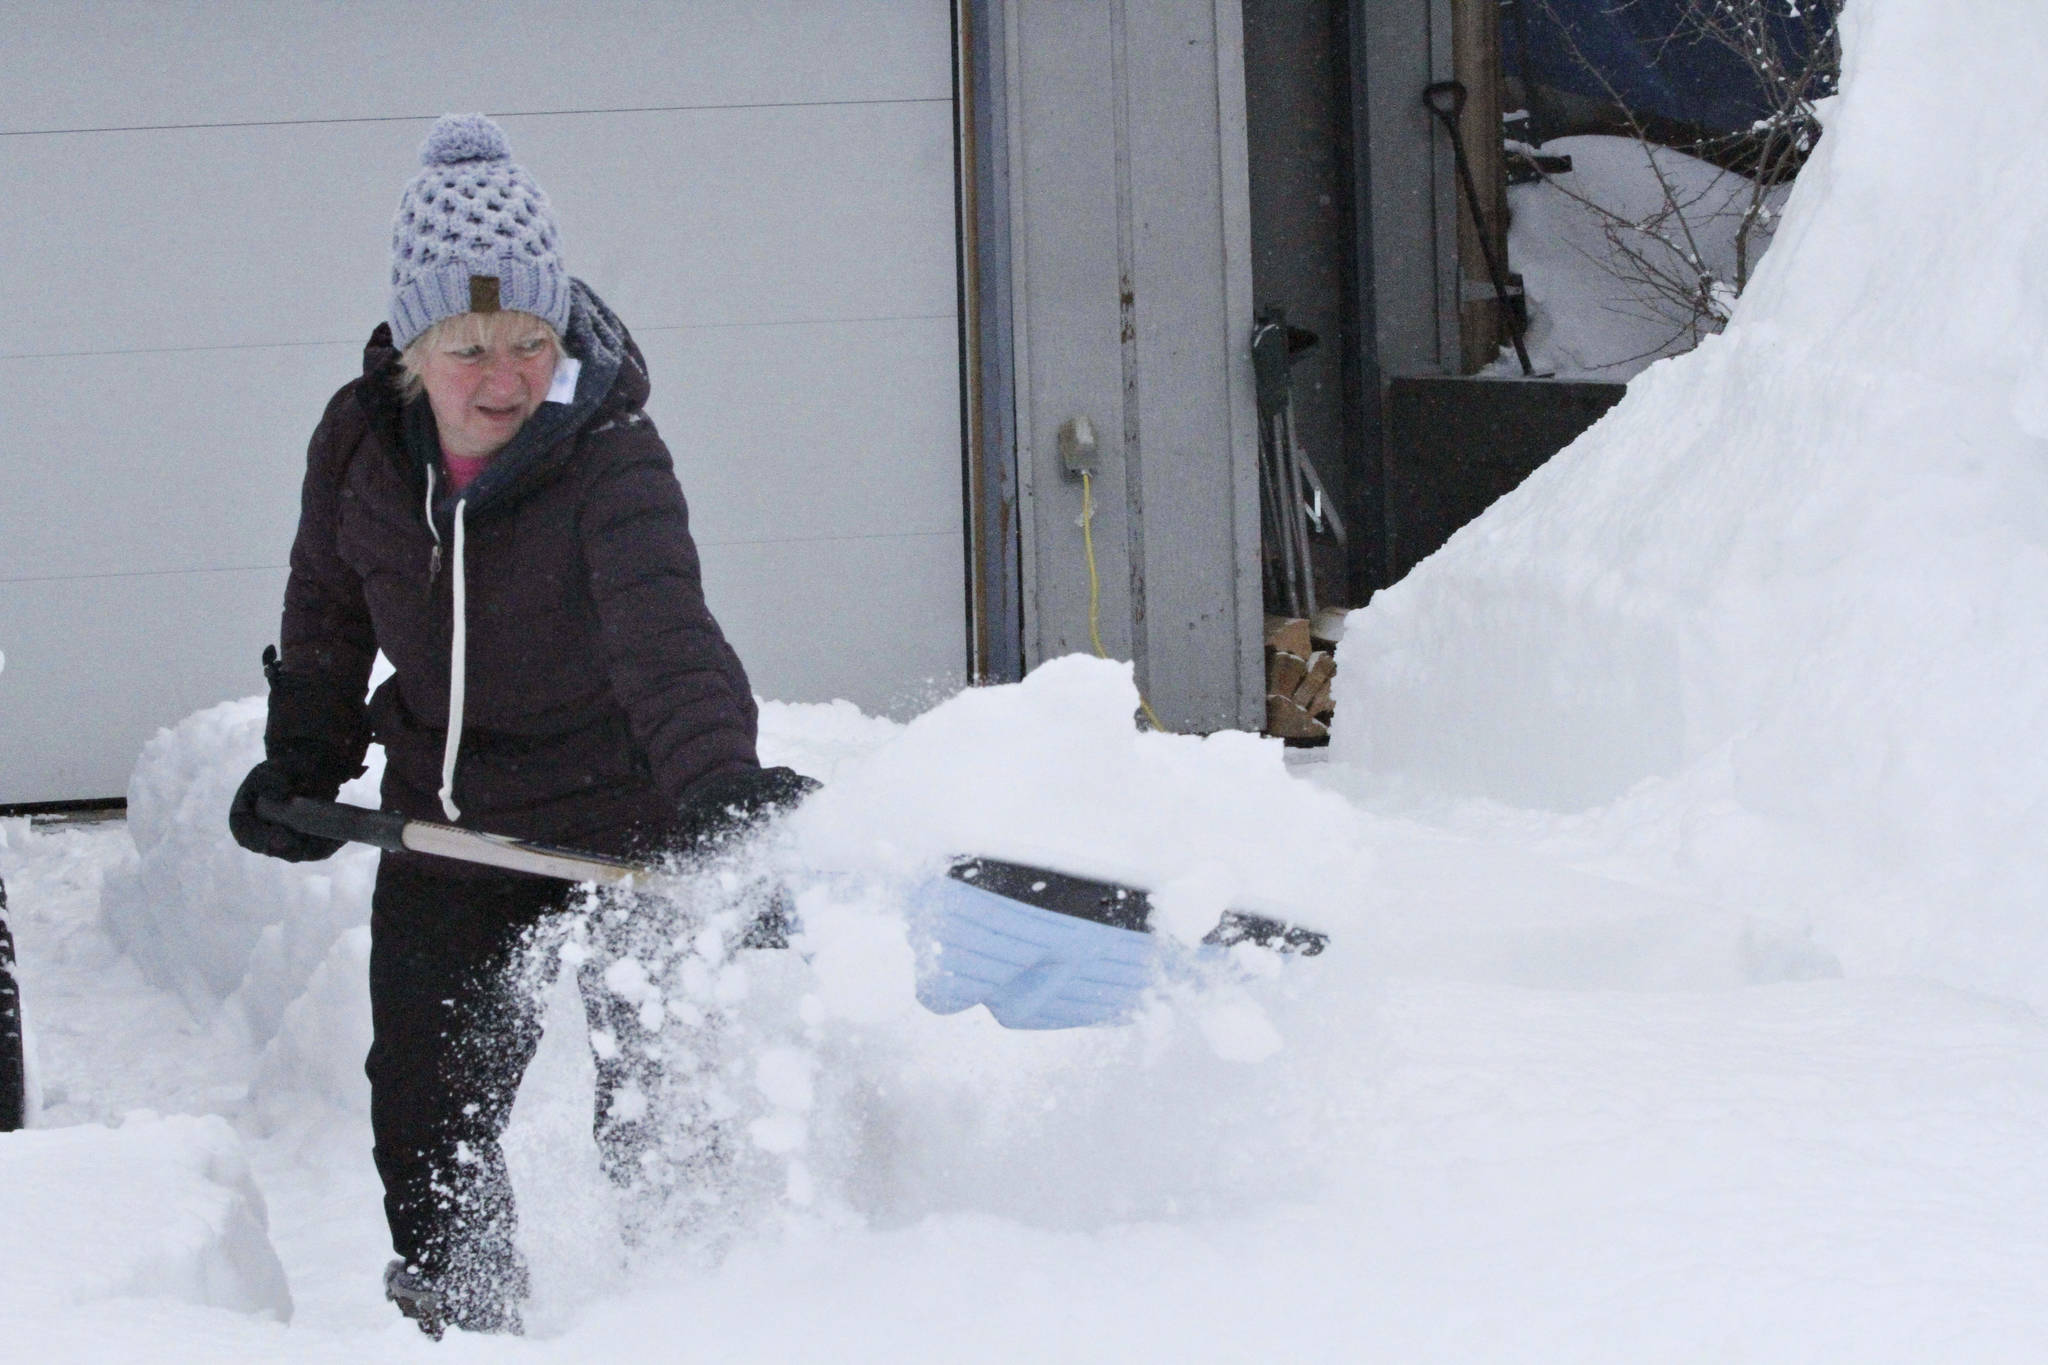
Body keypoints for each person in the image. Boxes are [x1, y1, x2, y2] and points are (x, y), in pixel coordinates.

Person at [228, 113, 813, 1337]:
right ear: (411, 346)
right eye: (472, 349)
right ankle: (467, 1320)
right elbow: (327, 610)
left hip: (635, 813)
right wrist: (304, 759)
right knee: (425, 1107)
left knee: (662, 1105)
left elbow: (664, 628)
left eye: (531, 344)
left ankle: (697, 1321)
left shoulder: (610, 452)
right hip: (454, 827)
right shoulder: (359, 443)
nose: (504, 379)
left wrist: (715, 781)